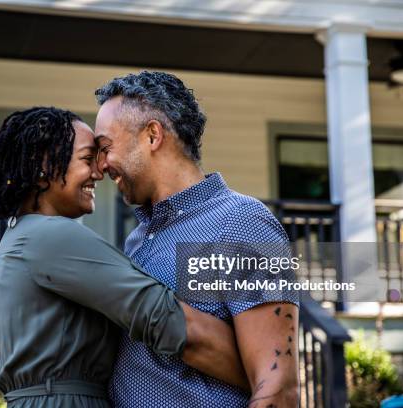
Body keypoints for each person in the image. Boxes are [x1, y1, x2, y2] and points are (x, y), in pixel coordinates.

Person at [0, 107, 249, 408]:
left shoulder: (21, 236)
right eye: (87, 159)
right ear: (43, 166)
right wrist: (265, 374)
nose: (99, 173)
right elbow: (166, 321)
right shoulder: (50, 236)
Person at [94, 71, 300, 407]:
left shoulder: (241, 222)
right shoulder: (137, 240)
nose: (101, 166)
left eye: (106, 147)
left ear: (152, 135)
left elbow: (278, 387)